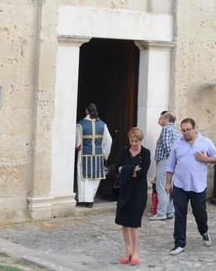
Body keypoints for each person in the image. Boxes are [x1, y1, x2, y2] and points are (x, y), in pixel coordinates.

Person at [164, 117, 216, 256]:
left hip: (198, 186)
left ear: (194, 129)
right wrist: (168, 183)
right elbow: (170, 165)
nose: (186, 133)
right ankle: (179, 243)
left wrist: (207, 159)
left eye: (188, 130)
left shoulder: (205, 142)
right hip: (180, 186)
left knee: (199, 213)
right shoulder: (177, 144)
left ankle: (204, 231)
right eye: (183, 130)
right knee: (180, 214)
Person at [114, 127, 151, 266]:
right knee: (124, 221)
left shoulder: (146, 153)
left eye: (136, 141)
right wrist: (131, 170)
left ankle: (136, 251)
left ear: (140, 140)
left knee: (134, 222)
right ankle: (128, 250)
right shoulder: (124, 151)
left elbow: (142, 172)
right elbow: (116, 167)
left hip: (138, 191)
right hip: (125, 190)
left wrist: (125, 170)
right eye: (131, 140)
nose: (133, 143)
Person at [75, 103, 112, 207]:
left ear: (87, 111)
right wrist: (105, 154)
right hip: (98, 156)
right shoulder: (102, 124)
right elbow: (109, 141)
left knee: (84, 178)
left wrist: (78, 146)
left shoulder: (80, 124)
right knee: (94, 178)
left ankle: (83, 199)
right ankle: (90, 200)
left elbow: (77, 142)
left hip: (84, 155)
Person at [150, 111, 179, 221]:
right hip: (173, 162)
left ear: (166, 119)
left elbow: (167, 147)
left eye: (161, 117)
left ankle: (161, 213)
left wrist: (170, 160)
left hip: (165, 161)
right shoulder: (176, 130)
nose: (159, 119)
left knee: (161, 187)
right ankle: (170, 212)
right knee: (170, 187)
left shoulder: (166, 129)